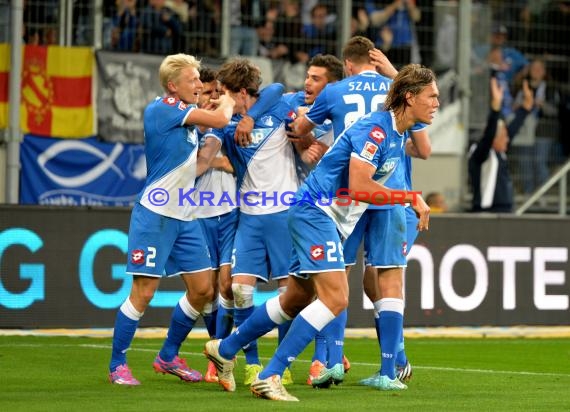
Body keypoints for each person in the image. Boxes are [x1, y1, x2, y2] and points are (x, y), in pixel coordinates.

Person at [204, 64, 436, 401]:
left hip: (324, 217)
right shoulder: (377, 130)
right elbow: (358, 186)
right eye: (432, 96)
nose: (436, 104)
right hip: (316, 212)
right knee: (336, 298)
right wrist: (409, 197)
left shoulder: (396, 132)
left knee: (295, 298)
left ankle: (225, 348)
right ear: (410, 97)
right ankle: (270, 375)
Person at [107, 53, 235, 385]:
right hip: (156, 215)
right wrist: (232, 97)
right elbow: (221, 119)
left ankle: (167, 356)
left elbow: (205, 144)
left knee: (203, 289)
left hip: (185, 215)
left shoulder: (185, 119)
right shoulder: (162, 109)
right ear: (172, 85)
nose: (199, 85)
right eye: (193, 80)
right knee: (144, 293)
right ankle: (117, 365)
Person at [201, 58, 297, 389]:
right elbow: (208, 139)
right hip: (251, 218)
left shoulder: (279, 107)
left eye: (225, 93)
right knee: (241, 290)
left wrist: (252, 117)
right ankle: (252, 364)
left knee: (289, 293)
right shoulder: (225, 124)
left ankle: (281, 363)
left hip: (285, 215)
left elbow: (278, 88)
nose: (221, 99)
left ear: (242, 93)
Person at [468, 77, 534, 213]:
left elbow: (513, 128)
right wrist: (495, 109)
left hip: (506, 212)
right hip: (486, 213)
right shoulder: (480, 155)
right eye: (504, 137)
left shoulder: (500, 152)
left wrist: (525, 108)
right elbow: (489, 135)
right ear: (493, 138)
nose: (507, 140)